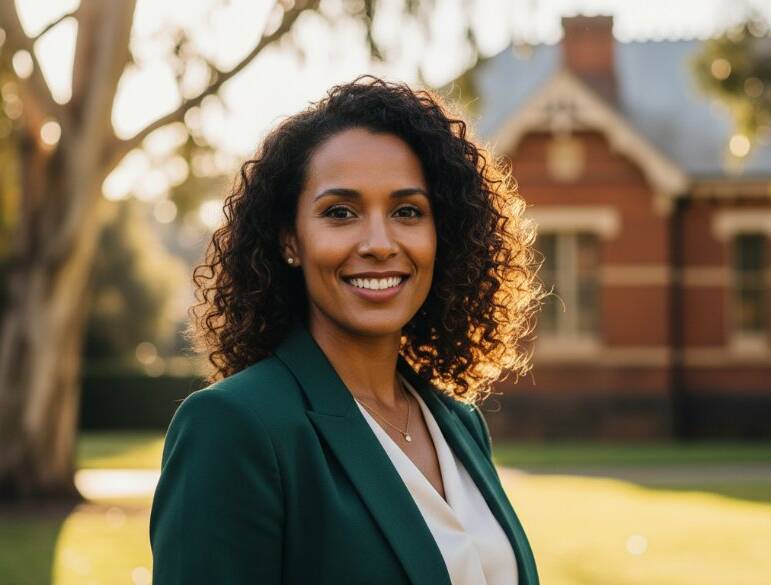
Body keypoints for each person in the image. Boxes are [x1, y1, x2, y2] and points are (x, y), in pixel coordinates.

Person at [149, 74, 545, 585]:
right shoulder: (234, 427)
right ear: (291, 239)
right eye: (341, 213)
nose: (380, 243)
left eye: (407, 211)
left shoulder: (458, 424)